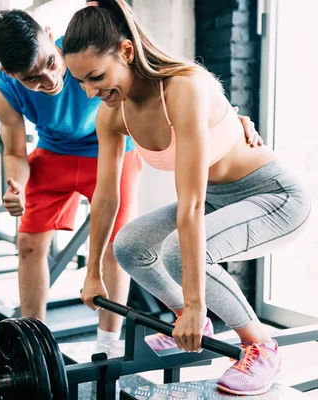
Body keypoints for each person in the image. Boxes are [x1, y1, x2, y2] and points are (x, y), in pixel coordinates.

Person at [63, 0, 311, 396]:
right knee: (131, 245)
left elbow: (191, 206)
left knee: (180, 251)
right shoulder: (112, 114)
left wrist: (199, 302)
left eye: (95, 76)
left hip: (274, 197)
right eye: (80, 82)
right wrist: (93, 270)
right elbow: (105, 196)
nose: (91, 91)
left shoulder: (183, 88)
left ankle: (261, 345)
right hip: (219, 200)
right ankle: (187, 315)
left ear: (126, 52)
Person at [0, 8, 261, 361]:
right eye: (32, 79)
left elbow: (165, 76)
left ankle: (107, 342)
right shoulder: (4, 92)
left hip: (112, 147)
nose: (50, 80)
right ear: (10, 74)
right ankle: (33, 343)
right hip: (53, 151)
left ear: (50, 36)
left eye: (50, 64)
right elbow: (14, 153)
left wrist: (225, 117)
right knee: (27, 242)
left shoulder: (82, 50)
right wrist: (17, 188)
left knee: (120, 242)